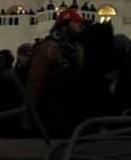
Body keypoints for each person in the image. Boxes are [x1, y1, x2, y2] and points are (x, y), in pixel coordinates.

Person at [26, 8, 86, 137]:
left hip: (69, 109)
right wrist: (29, 109)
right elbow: (35, 80)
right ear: (65, 26)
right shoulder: (49, 48)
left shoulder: (75, 48)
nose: (80, 26)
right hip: (50, 111)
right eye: (76, 23)